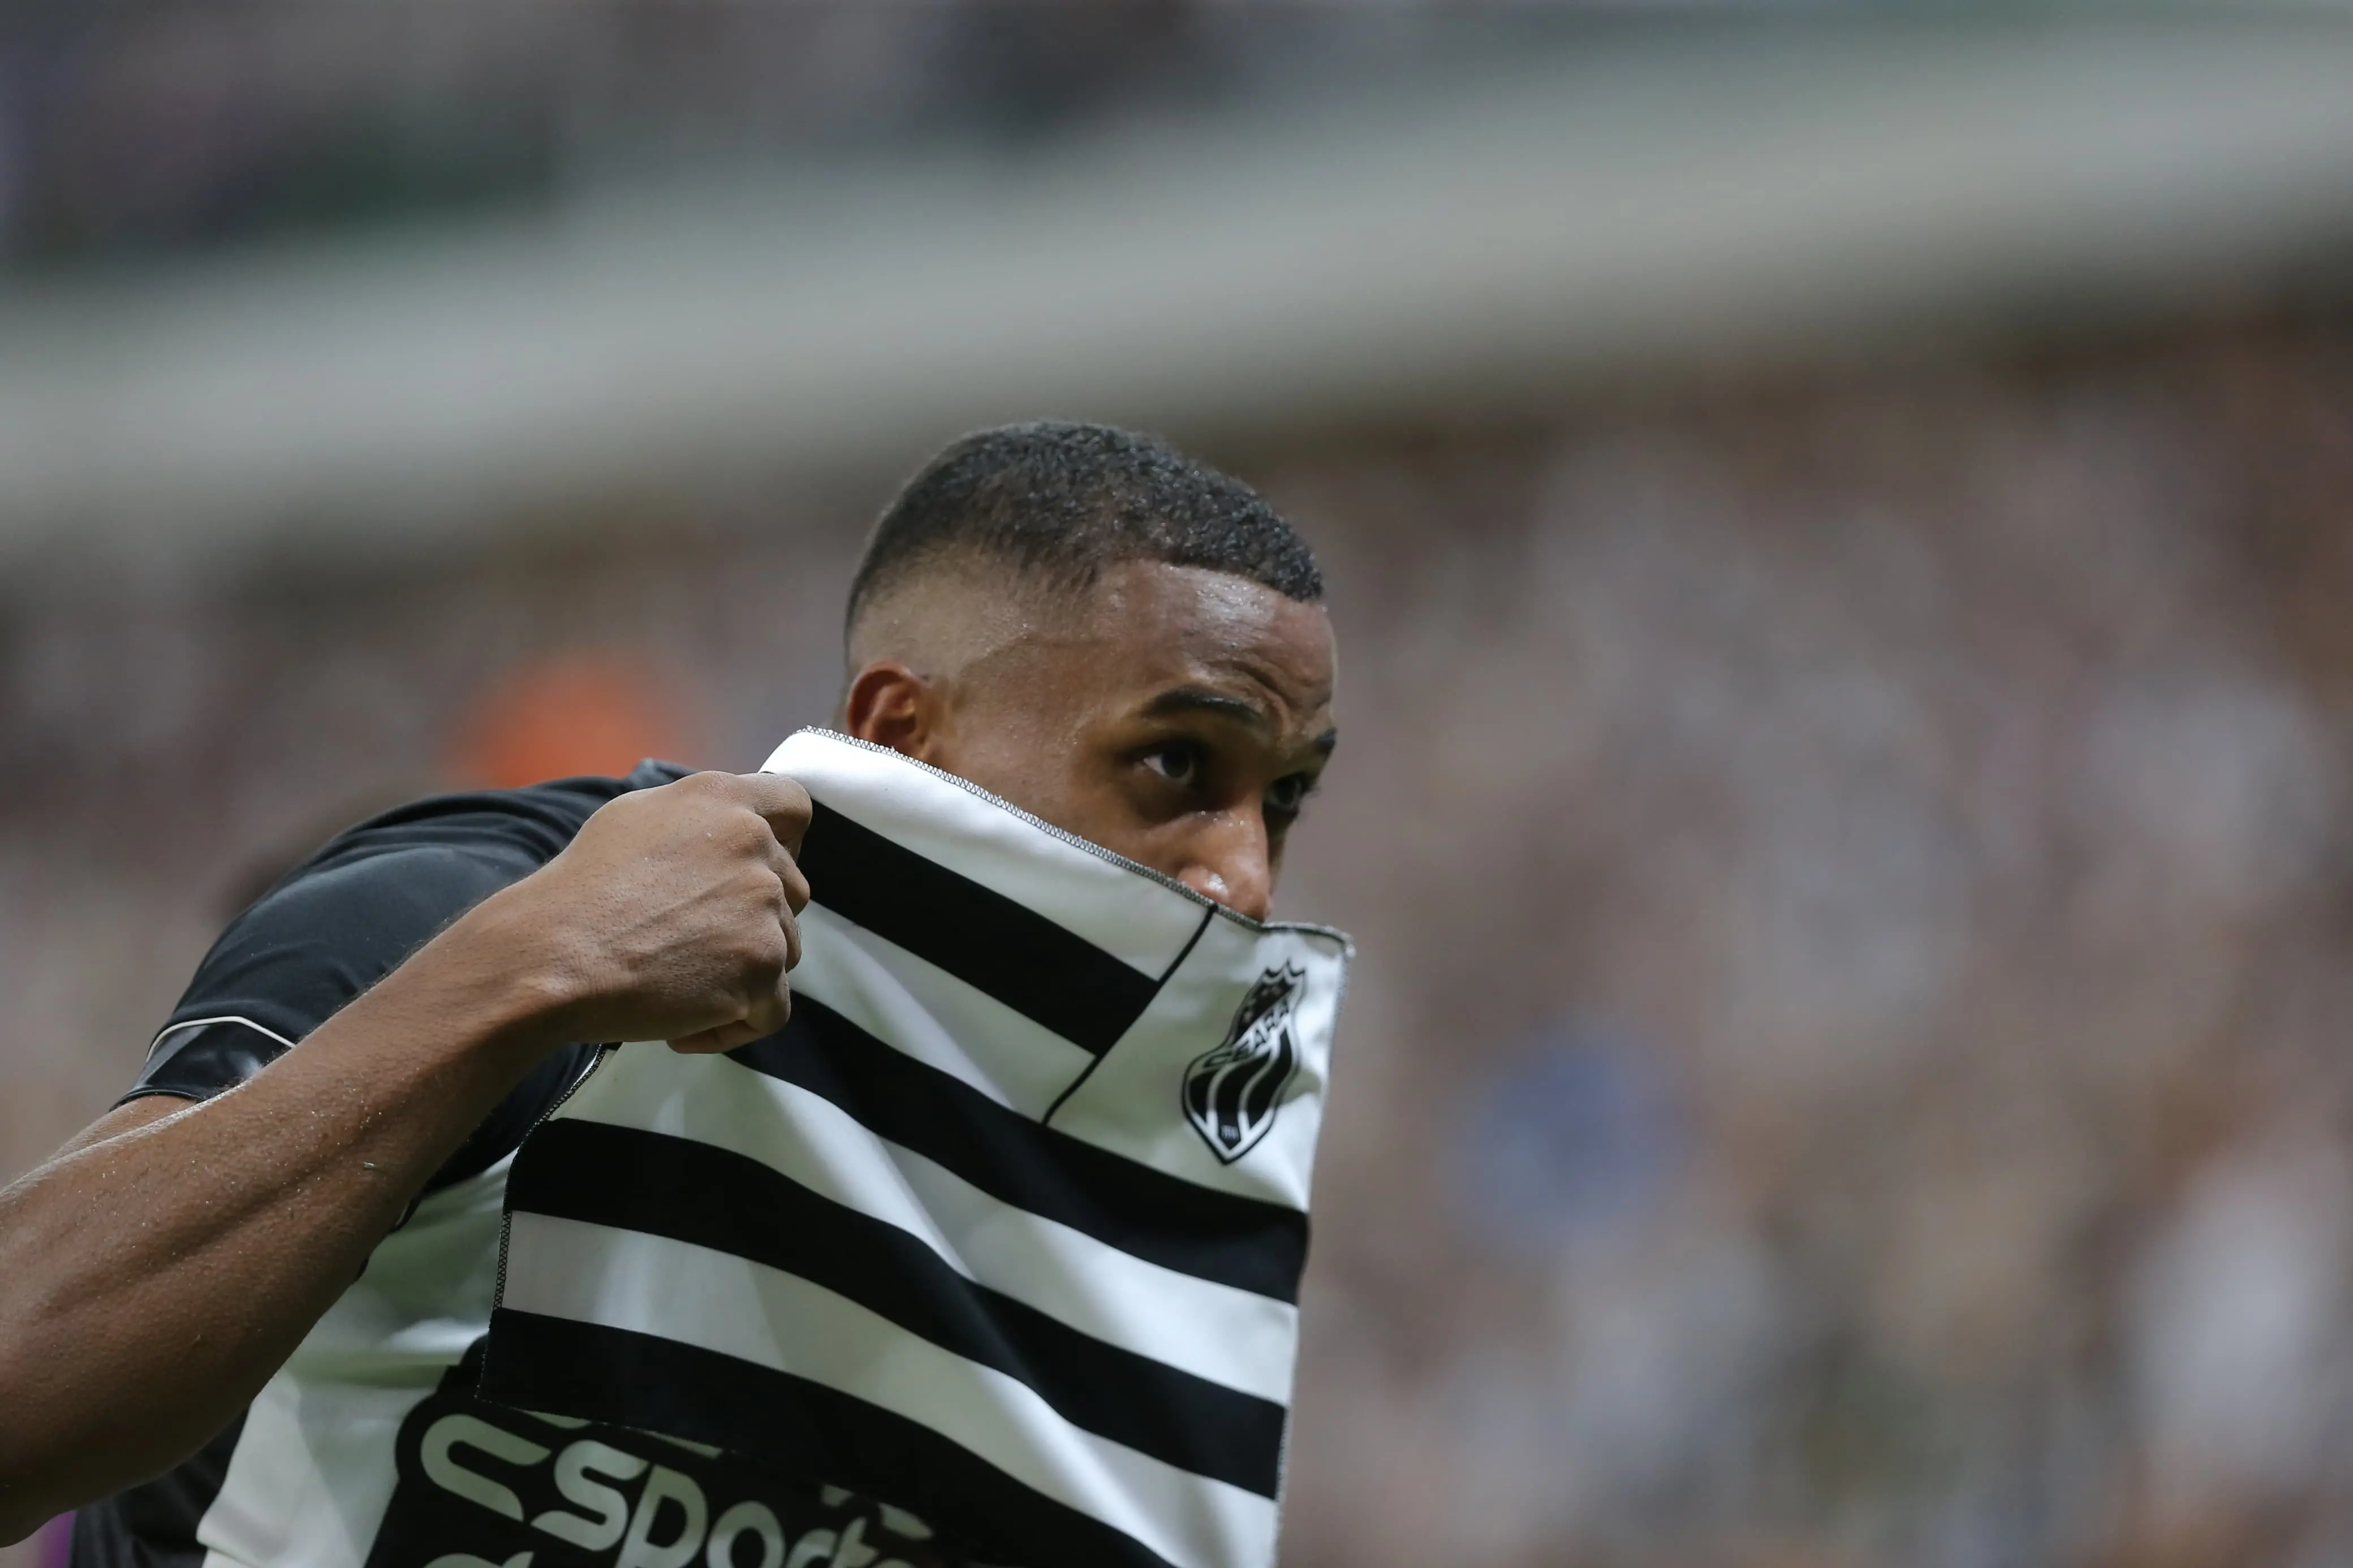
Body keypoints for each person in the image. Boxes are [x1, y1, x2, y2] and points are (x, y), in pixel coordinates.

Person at [0, 422, 1341, 1568]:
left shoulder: (1108, 1208)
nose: (1247, 878)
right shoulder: (479, 910)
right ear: (903, 732)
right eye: (1177, 764)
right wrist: (523, 976)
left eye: (1283, 799)